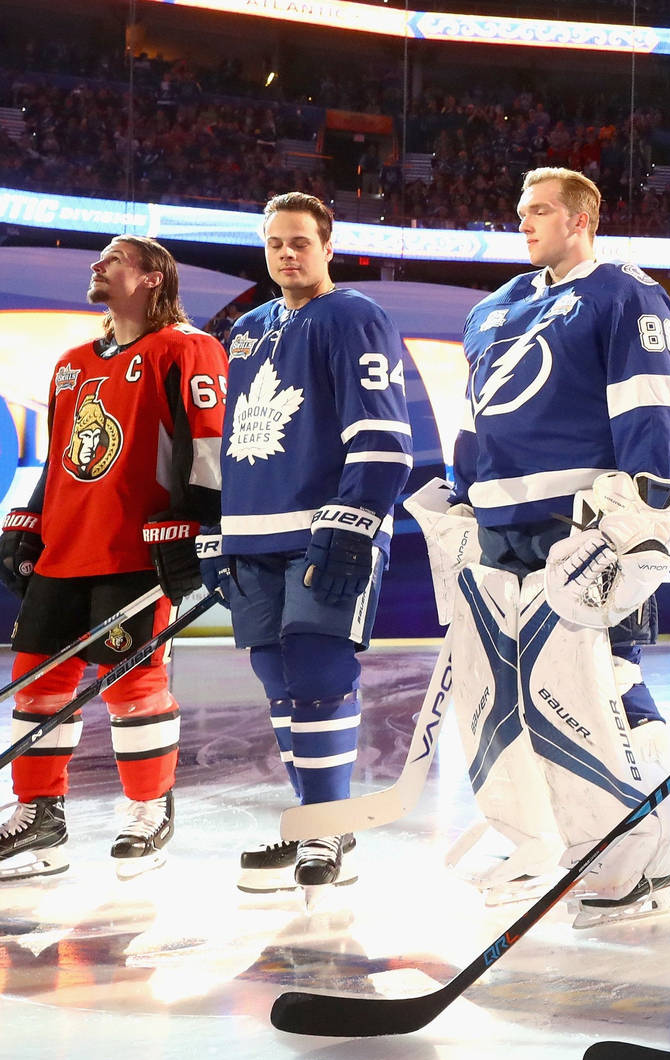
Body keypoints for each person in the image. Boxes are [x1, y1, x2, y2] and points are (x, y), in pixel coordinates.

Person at [420, 166, 670, 925]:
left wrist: (635, 522)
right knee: (508, 697)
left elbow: (660, 412)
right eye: (520, 212)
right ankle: (546, 841)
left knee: (603, 684)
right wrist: (462, 499)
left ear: (582, 219)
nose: (525, 223)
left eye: (540, 211)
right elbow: (477, 421)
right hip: (499, 530)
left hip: (579, 529)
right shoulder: (495, 311)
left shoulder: (623, 293)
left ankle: (643, 852)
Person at [203, 192, 412, 901]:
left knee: (319, 666)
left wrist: (358, 518)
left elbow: (383, 433)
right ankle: (309, 822)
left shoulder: (354, 315)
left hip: (326, 526)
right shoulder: (248, 331)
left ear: (327, 245)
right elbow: (231, 443)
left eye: (299, 242)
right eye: (275, 244)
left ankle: (330, 828)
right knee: (276, 676)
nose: (286, 254)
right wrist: (216, 530)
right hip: (254, 531)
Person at [0, 236, 226, 881]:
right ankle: (39, 819)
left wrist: (196, 529)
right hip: (63, 551)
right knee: (38, 685)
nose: (96, 267)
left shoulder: (187, 348)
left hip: (136, 552)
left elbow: (210, 448)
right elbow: (63, 455)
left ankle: (148, 809)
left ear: (153, 277)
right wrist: (28, 518)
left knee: (133, 685)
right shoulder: (73, 362)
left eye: (113, 260)